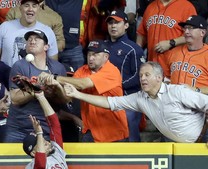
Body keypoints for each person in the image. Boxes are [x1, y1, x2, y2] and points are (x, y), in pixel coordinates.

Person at [64, 61, 208, 143]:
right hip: (176, 146)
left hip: (202, 140)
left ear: (159, 78)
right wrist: (78, 94)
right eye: (140, 76)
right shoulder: (140, 98)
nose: (142, 79)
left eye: (147, 75)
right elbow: (111, 102)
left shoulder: (178, 92)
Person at [39, 40, 129, 143]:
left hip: (113, 132)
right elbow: (67, 98)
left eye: (95, 54)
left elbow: (83, 84)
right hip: (91, 132)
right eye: (89, 54)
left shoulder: (112, 71)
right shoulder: (82, 71)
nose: (91, 58)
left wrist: (54, 78)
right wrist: (56, 87)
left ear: (106, 57)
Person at [4, 29, 67, 142]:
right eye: (29, 39)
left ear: (46, 47)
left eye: (37, 39)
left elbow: (63, 101)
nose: (32, 41)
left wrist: (55, 88)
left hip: (45, 128)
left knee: (43, 160)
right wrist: (37, 87)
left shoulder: (58, 68)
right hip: (18, 128)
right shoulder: (19, 66)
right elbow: (15, 99)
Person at [22, 86, 76, 169]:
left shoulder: (56, 152)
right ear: (33, 153)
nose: (46, 142)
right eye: (41, 143)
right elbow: (40, 164)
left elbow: (54, 124)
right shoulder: (31, 168)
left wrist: (41, 97)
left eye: (44, 140)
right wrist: (39, 133)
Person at [105, 10, 145, 142]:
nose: (113, 26)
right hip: (104, 98)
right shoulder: (102, 46)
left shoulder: (134, 48)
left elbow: (138, 76)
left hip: (128, 99)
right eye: (110, 23)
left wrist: (116, 86)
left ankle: (136, 162)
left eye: (117, 22)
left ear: (126, 25)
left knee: (130, 137)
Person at [136, 0, 197, 81]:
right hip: (152, 68)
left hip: (175, 68)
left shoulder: (186, 6)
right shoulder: (151, 7)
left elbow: (193, 35)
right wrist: (137, 52)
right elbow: (142, 33)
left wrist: (171, 43)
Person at [0, 0, 58, 67]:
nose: (30, 9)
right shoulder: (4, 27)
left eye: (34, 6)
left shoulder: (48, 32)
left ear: (38, 8)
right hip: (8, 75)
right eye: (26, 5)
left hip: (36, 76)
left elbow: (53, 64)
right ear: (20, 8)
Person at [162, 15, 208, 94]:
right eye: (185, 28)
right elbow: (166, 78)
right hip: (173, 101)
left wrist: (196, 90)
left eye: (190, 28)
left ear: (202, 32)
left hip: (199, 103)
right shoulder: (174, 52)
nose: (186, 32)